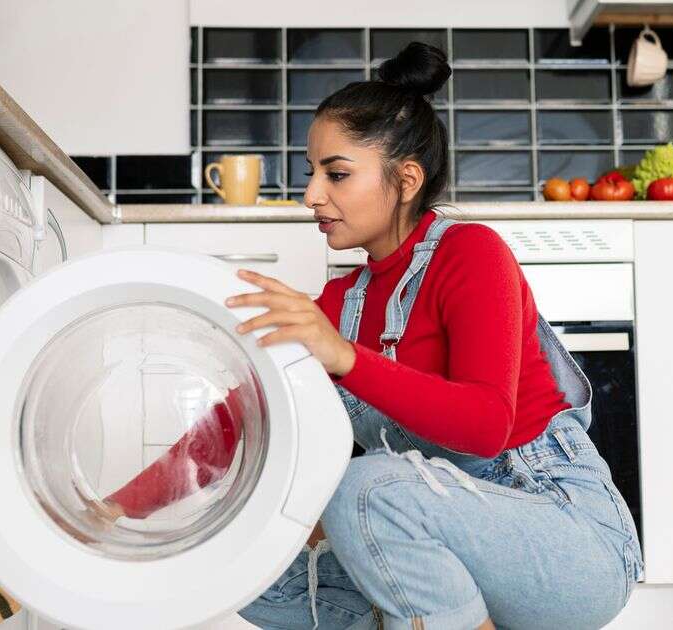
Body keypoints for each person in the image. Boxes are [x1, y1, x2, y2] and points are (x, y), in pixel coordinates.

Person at [108, 41, 642, 630]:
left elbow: (486, 427)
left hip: (569, 541)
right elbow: (237, 423)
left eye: (336, 174)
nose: (312, 195)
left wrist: (342, 356)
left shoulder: (471, 253)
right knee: (240, 560)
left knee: (363, 493)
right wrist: (110, 513)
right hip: (452, 546)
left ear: (406, 178)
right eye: (311, 174)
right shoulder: (341, 303)